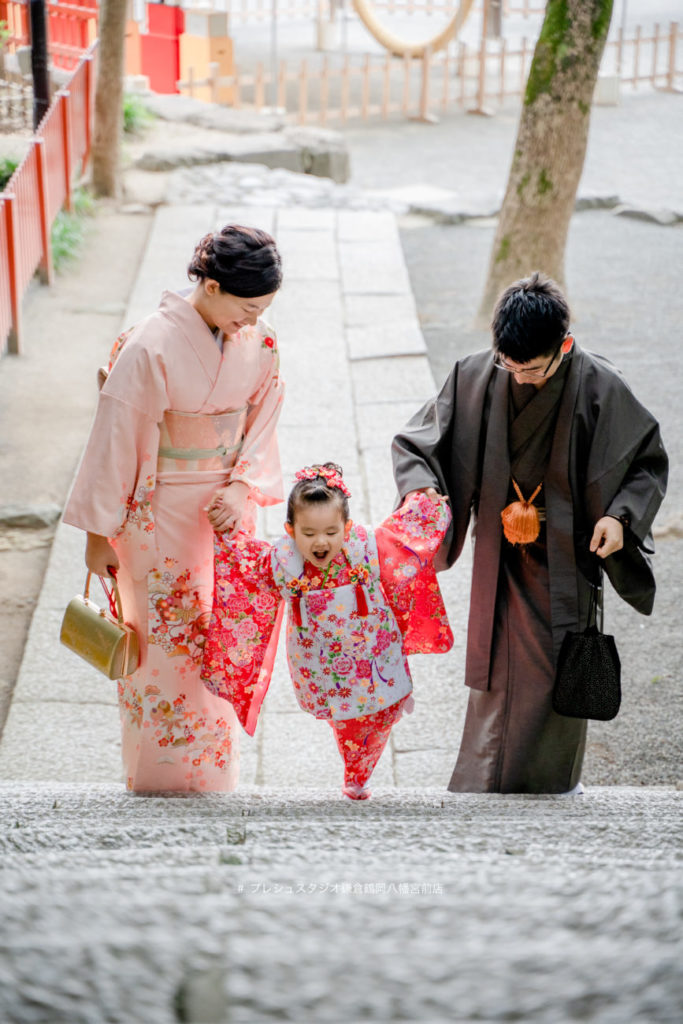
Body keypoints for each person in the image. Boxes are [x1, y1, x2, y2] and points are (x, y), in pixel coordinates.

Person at [392, 272, 668, 795]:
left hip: (567, 556)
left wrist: (620, 518)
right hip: (498, 556)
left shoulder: (601, 385)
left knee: (553, 674)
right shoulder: (475, 374)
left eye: (533, 368)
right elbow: (417, 444)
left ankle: (549, 788)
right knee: (494, 679)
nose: (518, 377)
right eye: (509, 365)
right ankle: (483, 786)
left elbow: (646, 464)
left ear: (564, 345)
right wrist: (422, 494)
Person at [62, 224, 285, 794]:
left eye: (263, 309)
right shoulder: (149, 345)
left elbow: (264, 417)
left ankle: (214, 777)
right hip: (157, 517)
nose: (253, 321)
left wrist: (241, 486)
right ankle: (158, 779)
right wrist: (97, 533)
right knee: (162, 651)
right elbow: (114, 438)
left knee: (220, 641)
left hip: (226, 517)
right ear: (210, 286)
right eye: (247, 306)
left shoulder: (259, 345)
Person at [201, 463, 453, 799]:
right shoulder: (282, 561)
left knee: (376, 719)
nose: (321, 542)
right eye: (309, 534)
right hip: (323, 667)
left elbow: (404, 537)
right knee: (345, 723)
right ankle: (356, 771)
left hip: (372, 660)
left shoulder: (366, 547)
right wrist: (227, 530)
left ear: (347, 527)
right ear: (290, 530)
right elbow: (244, 563)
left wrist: (426, 505)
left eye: (332, 533)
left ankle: (358, 772)